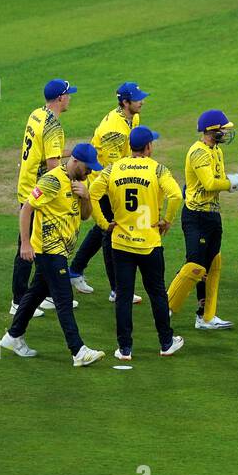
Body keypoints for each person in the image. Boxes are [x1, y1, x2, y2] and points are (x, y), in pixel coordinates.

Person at [0, 143, 107, 367]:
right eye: (88, 167)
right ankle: (78, 351)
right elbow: (26, 209)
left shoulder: (80, 181)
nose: (90, 172)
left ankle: (13, 336)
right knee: (64, 299)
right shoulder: (51, 181)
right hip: (49, 250)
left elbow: (86, 217)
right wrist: (26, 244)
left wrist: (86, 197)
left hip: (62, 250)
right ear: (75, 161)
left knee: (35, 294)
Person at [87, 125, 184, 360]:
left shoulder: (113, 169)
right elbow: (176, 196)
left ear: (131, 146)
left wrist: (102, 222)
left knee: (123, 295)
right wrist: (167, 221)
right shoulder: (158, 170)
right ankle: (165, 342)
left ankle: (124, 348)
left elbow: (92, 193)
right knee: (157, 294)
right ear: (149, 147)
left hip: (121, 243)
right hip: (149, 243)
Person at [166, 110, 238, 331]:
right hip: (195, 216)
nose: (226, 132)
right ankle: (165, 306)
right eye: (223, 129)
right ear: (212, 131)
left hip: (213, 215)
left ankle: (206, 317)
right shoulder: (198, 152)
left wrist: (237, 181)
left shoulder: (216, 151)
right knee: (195, 265)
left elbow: (219, 181)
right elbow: (210, 183)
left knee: (212, 264)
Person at [70, 81, 147, 303]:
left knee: (104, 226)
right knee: (110, 231)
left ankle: (75, 270)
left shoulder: (132, 118)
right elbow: (111, 169)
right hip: (101, 181)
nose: (142, 101)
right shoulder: (114, 131)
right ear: (125, 102)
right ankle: (116, 289)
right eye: (137, 98)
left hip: (110, 176)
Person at [10, 78, 75, 318]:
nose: (70, 98)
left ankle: (44, 294)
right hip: (37, 191)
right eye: (68, 95)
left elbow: (47, 151)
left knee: (41, 242)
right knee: (27, 245)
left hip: (26, 183)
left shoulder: (37, 115)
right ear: (60, 98)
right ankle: (18, 299)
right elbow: (52, 164)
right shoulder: (53, 126)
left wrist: (76, 152)